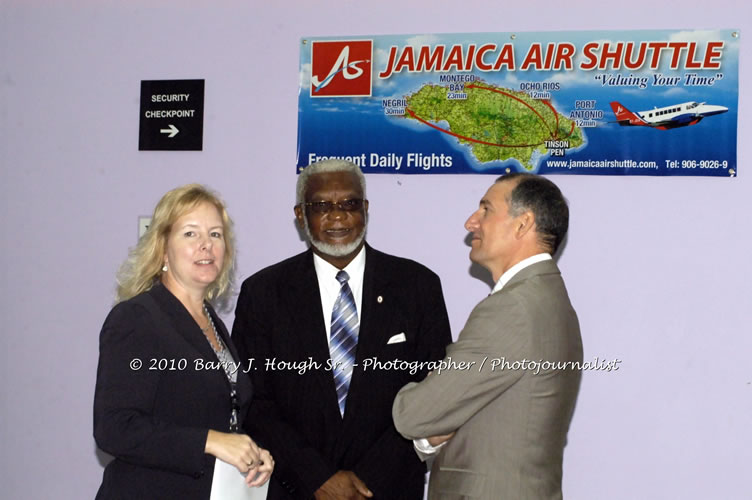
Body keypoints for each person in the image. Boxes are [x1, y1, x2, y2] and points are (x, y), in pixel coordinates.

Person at [231, 159, 452, 499]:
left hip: (388, 488)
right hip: (297, 489)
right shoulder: (263, 293)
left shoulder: (417, 286)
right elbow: (254, 401)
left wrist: (370, 477)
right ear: (301, 215)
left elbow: (434, 393)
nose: (338, 216)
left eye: (349, 203)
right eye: (321, 206)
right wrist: (318, 477)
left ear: (365, 209)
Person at [392, 173, 583, 500]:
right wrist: (431, 433)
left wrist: (420, 413)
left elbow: (415, 414)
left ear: (523, 224)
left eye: (485, 210)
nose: (471, 223)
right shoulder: (548, 300)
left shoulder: (512, 309)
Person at [93, 184, 274, 499]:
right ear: (163, 248)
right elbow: (114, 428)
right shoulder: (137, 318)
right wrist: (211, 441)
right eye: (191, 234)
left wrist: (251, 452)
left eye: (215, 235)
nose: (206, 245)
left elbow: (216, 413)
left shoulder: (213, 324)